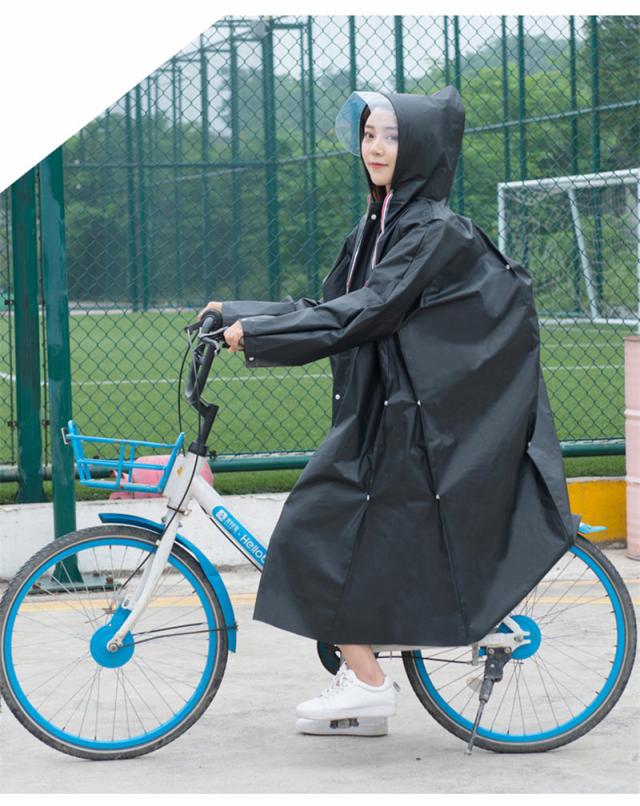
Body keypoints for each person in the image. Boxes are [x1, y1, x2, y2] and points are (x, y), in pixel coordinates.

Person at [199, 86, 578, 737]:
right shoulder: (377, 225)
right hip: (386, 408)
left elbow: (367, 312)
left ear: (421, 147)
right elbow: (332, 305)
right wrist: (239, 314)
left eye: (392, 136)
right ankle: (362, 687)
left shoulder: (430, 230)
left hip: (420, 422)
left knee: (311, 531)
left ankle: (368, 683)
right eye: (369, 134)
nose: (375, 147)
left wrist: (257, 337)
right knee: (340, 534)